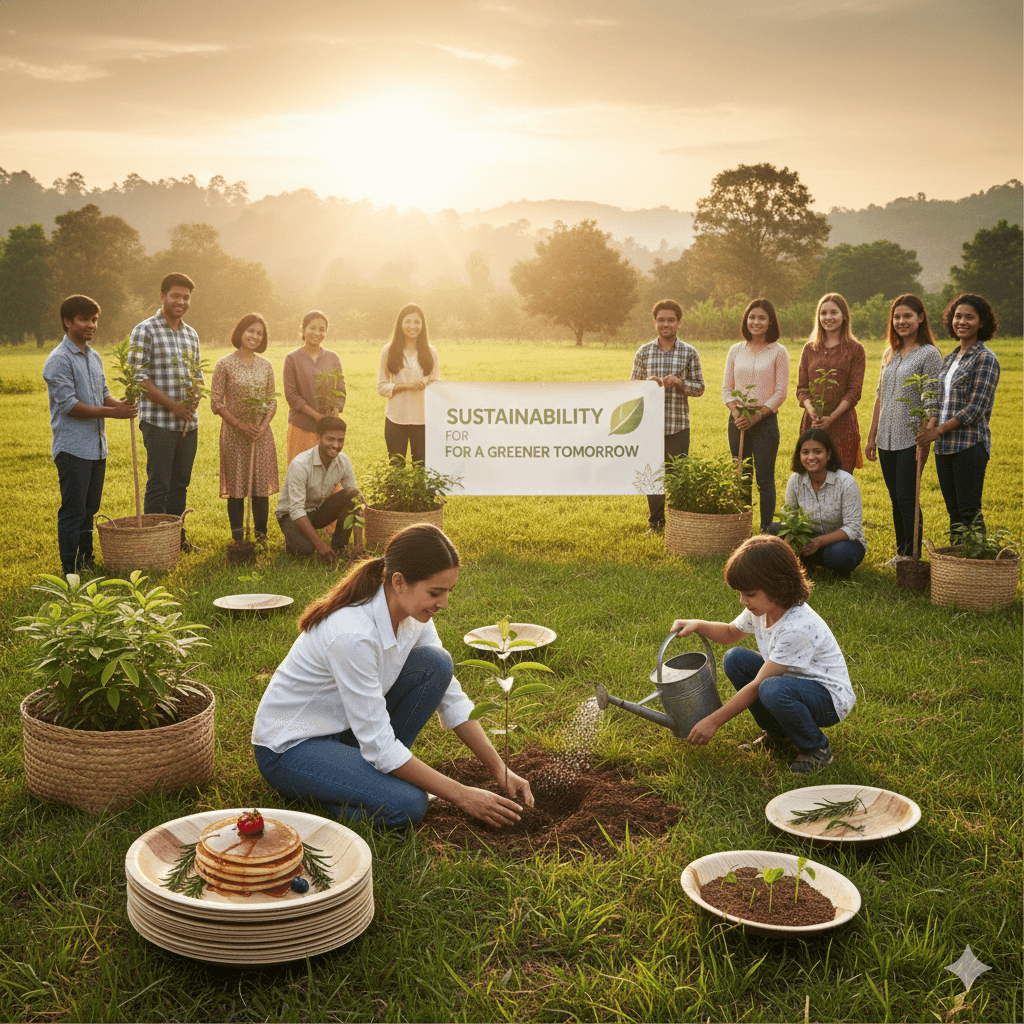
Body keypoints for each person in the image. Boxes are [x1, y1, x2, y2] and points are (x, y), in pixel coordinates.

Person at [252, 524, 534, 828]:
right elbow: (380, 746)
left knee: (436, 664)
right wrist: (462, 794)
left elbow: (450, 697)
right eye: (435, 592)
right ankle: (326, 796)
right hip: (291, 749)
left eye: (448, 592)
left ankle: (359, 780)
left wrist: (499, 770)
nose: (444, 604)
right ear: (399, 582)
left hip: (346, 731)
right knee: (408, 804)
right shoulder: (352, 635)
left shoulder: (413, 614)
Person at [671, 535, 854, 776]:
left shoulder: (797, 627)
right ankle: (778, 736)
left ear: (777, 585)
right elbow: (729, 633)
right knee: (735, 659)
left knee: (770, 688)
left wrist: (713, 721)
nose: (743, 601)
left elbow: (758, 686)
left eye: (749, 593)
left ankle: (816, 749)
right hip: (788, 684)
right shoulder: (761, 610)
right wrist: (697, 624)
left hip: (827, 699)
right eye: (740, 593)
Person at [42, 295, 137, 575]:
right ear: (67, 322)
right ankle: (69, 568)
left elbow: (103, 394)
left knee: (89, 509)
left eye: (94, 319)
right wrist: (113, 414)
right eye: (84, 319)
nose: (91, 325)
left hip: (97, 447)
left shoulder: (94, 356)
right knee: (73, 510)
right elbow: (70, 406)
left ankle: (86, 561)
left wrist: (121, 405)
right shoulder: (58, 360)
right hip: (72, 448)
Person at [915, 293, 1001, 540]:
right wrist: (928, 430)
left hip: (969, 446)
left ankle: (977, 566)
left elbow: (976, 408)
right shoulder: (950, 358)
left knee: (969, 512)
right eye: (957, 316)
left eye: (969, 317)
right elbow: (938, 401)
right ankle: (958, 569)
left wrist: (937, 431)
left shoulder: (985, 358)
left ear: (981, 322)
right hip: (944, 448)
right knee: (954, 514)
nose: (962, 322)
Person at [864, 294, 942, 560]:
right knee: (895, 499)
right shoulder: (891, 352)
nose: (901, 321)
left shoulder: (929, 354)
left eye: (907, 316)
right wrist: (871, 436)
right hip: (886, 437)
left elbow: (932, 398)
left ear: (920, 318)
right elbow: (879, 395)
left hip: (912, 438)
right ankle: (901, 554)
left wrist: (927, 436)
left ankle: (912, 557)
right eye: (897, 317)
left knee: (908, 499)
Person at [128, 272, 202, 550]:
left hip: (188, 424)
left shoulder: (191, 333)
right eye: (175, 296)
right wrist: (174, 406)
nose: (181, 302)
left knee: (180, 484)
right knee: (159, 483)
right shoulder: (145, 330)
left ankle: (176, 539)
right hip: (159, 422)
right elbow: (137, 377)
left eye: (186, 297)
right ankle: (153, 544)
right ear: (162, 296)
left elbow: (197, 372)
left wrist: (195, 398)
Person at [629, 299, 705, 531]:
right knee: (652, 477)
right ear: (655, 322)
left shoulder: (689, 352)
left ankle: (679, 524)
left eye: (670, 320)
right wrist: (646, 384)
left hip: (677, 426)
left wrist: (680, 383)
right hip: (650, 426)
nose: (665, 324)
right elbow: (632, 387)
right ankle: (656, 523)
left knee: (677, 477)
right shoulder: (644, 351)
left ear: (679, 322)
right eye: (661, 320)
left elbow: (700, 388)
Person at [210, 314, 279, 544]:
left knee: (260, 486)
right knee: (237, 487)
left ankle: (261, 536)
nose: (254, 336)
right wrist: (240, 425)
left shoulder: (265, 365)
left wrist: (263, 426)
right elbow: (216, 403)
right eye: (250, 331)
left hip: (261, 434)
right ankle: (238, 538)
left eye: (259, 333)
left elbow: (272, 399)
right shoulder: (224, 364)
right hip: (234, 434)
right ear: (240, 332)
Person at [722, 298, 789, 531]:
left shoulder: (778, 352)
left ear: (770, 322)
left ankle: (766, 530)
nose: (756, 322)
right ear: (746, 320)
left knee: (765, 479)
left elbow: (781, 392)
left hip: (765, 421)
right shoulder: (735, 350)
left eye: (761, 318)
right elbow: (726, 389)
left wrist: (757, 415)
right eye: (752, 317)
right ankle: (742, 529)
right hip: (737, 421)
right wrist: (737, 413)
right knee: (742, 477)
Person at [767, 429, 866, 577]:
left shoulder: (846, 482)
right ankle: (807, 560)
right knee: (771, 532)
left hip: (841, 542)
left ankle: (819, 562)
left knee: (839, 554)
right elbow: (789, 515)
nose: (811, 457)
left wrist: (819, 542)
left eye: (817, 451)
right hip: (807, 538)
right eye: (805, 452)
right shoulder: (796, 479)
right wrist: (796, 539)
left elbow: (853, 528)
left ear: (828, 454)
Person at [275, 416, 364, 565]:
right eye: (330, 439)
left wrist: (358, 544)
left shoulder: (343, 461)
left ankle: (339, 547)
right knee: (305, 550)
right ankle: (292, 539)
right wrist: (321, 545)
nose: (335, 445)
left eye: (340, 440)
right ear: (318, 438)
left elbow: (357, 501)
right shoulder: (300, 464)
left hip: (317, 511)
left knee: (353, 494)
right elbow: (296, 510)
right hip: (291, 515)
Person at [795, 293, 866, 473]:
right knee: (812, 481)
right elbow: (802, 389)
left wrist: (831, 417)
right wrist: (812, 412)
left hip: (842, 425)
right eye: (823, 313)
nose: (828, 318)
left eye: (834, 312)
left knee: (840, 481)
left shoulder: (855, 349)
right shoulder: (809, 349)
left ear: (844, 316)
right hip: (813, 424)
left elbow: (854, 391)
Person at [376, 303, 440, 464]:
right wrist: (407, 386)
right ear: (400, 324)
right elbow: (381, 386)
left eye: (417, 322)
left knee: (422, 466)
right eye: (408, 322)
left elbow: (437, 385)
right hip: (396, 418)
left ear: (422, 325)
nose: (413, 326)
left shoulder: (431, 352)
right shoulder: (389, 350)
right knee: (396, 465)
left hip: (423, 419)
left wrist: (430, 386)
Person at [282, 311, 345, 466]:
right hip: (301, 426)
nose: (317, 333)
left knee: (326, 476)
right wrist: (317, 416)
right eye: (312, 328)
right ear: (303, 330)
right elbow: (291, 395)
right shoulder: (292, 359)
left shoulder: (333, 358)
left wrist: (335, 409)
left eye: (322, 329)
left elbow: (340, 389)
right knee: (300, 474)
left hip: (328, 431)